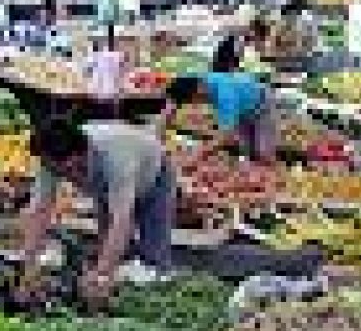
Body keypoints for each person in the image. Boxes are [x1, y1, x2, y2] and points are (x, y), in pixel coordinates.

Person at [18, 117, 177, 305]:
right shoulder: (50, 161)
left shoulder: (115, 157)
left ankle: (156, 299)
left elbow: (122, 220)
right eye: (57, 171)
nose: (66, 177)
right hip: (108, 182)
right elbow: (39, 210)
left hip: (153, 174)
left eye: (67, 170)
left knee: (153, 254)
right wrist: (28, 265)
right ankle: (116, 291)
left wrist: (100, 275)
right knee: (112, 250)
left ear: (80, 155)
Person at [161, 36, 278, 163]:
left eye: (194, 101)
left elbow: (224, 137)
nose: (196, 104)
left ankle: (269, 170)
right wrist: (159, 134)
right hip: (242, 103)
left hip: (261, 104)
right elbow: (174, 101)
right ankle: (251, 168)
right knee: (246, 148)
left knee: (263, 152)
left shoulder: (224, 95)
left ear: (198, 92)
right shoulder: (195, 80)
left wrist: (195, 157)